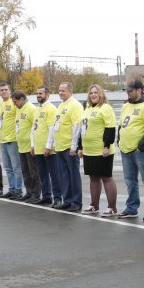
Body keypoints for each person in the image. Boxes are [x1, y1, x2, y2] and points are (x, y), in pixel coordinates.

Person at [116, 79, 144, 221]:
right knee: (130, 180)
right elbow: (121, 124)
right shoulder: (126, 105)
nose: (128, 93)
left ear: (139, 90)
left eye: (131, 91)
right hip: (125, 148)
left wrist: (143, 143)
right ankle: (131, 208)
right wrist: (119, 138)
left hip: (140, 150)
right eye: (127, 91)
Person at [79, 84, 118, 216]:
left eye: (96, 92)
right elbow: (83, 128)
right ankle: (94, 205)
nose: (93, 95)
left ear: (101, 94)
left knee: (106, 177)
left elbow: (110, 128)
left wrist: (106, 146)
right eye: (91, 93)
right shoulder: (87, 109)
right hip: (89, 150)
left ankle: (112, 207)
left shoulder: (105, 108)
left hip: (102, 150)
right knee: (93, 178)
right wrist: (81, 147)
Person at [49, 82, 83, 212]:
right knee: (64, 176)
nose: (60, 93)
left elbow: (77, 126)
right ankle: (67, 200)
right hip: (60, 147)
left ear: (70, 91)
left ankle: (76, 202)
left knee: (73, 176)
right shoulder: (61, 106)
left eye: (63, 90)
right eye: (59, 90)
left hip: (70, 147)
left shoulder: (75, 105)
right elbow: (56, 125)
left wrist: (74, 146)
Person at [12, 90, 41, 202]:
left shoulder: (31, 109)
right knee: (25, 171)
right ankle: (29, 192)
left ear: (22, 99)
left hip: (30, 146)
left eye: (16, 101)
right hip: (21, 146)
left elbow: (35, 127)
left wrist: (33, 145)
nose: (14, 104)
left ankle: (36, 193)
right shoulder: (19, 109)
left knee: (34, 172)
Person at [0, 83, 25, 199]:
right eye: (1, 90)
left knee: (16, 167)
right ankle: (12, 188)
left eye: (6, 90)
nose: (4, 92)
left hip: (12, 140)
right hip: (3, 140)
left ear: (10, 91)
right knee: (7, 167)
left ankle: (18, 190)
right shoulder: (1, 104)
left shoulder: (13, 103)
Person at [31, 86, 58, 205]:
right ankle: (46, 196)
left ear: (47, 94)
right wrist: (32, 145)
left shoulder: (51, 108)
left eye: (40, 93)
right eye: (37, 93)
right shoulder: (37, 109)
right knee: (42, 174)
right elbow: (34, 127)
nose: (38, 95)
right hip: (38, 148)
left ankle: (57, 198)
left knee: (54, 175)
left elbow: (52, 128)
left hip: (48, 149)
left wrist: (48, 146)